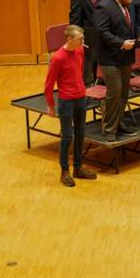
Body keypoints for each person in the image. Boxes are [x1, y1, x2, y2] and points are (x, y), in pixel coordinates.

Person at [95, 0, 140, 141]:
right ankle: (109, 129)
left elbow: (131, 27)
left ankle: (118, 123)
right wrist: (121, 43)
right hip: (110, 59)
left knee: (124, 93)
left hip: (126, 57)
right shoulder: (104, 7)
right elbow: (102, 32)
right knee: (114, 93)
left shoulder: (129, 6)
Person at [44, 25, 97, 187]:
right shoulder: (58, 58)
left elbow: (78, 71)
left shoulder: (80, 51)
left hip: (81, 97)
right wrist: (51, 106)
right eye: (80, 39)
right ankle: (64, 171)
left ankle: (78, 168)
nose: (83, 41)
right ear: (69, 39)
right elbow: (49, 84)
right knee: (67, 137)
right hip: (66, 101)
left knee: (81, 134)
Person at [69, 0, 103, 85]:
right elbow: (75, 20)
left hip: (98, 33)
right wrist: (78, 38)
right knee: (88, 64)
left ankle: (97, 83)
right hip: (87, 36)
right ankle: (85, 87)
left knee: (98, 61)